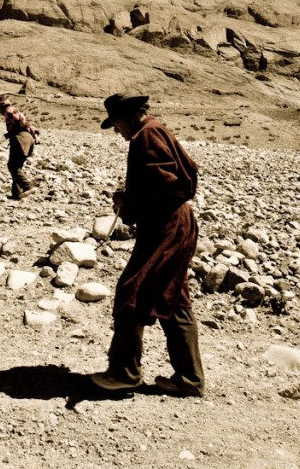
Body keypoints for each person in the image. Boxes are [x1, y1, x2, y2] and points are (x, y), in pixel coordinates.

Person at [90, 92, 205, 397]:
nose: (116, 130)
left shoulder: (147, 134)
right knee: (173, 294)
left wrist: (129, 202)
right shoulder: (153, 130)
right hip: (171, 223)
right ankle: (189, 379)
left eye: (115, 123)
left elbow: (166, 185)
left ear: (127, 116)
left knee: (132, 290)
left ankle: (124, 372)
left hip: (166, 225)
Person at [0, 94, 38, 200]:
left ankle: (27, 185)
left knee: (12, 166)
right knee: (17, 167)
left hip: (20, 139)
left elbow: (17, 125)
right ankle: (16, 193)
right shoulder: (16, 110)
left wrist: (7, 135)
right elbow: (26, 123)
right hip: (27, 139)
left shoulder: (9, 112)